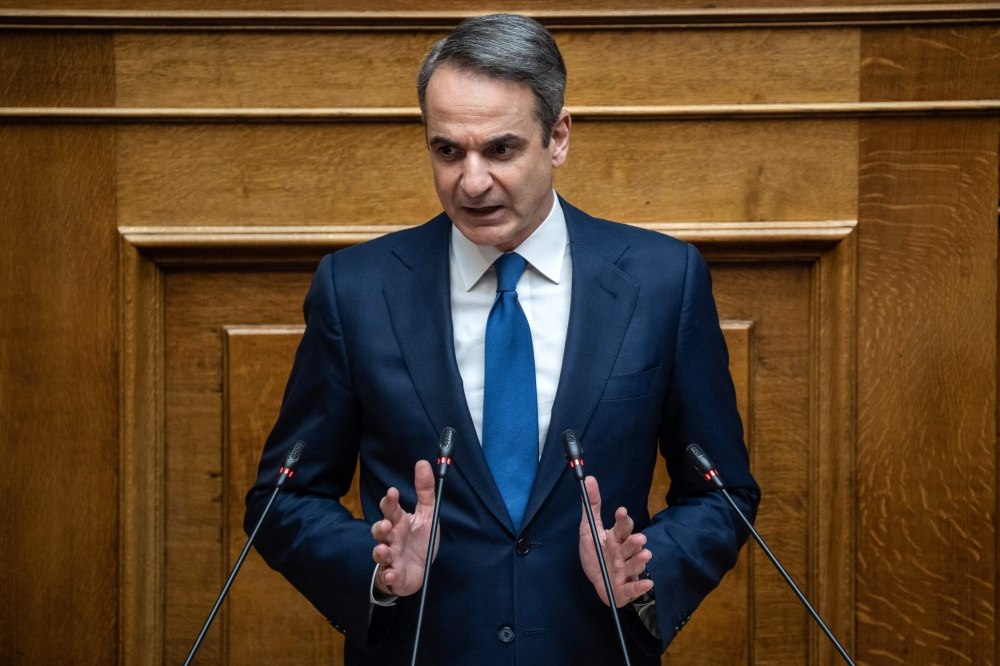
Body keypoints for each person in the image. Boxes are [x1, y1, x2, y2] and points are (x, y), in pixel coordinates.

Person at [245, 13, 759, 665]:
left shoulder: (663, 282)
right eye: (448, 150)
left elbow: (722, 493)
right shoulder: (357, 289)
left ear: (559, 137)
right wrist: (374, 568)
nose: (472, 180)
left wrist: (647, 568)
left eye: (501, 149)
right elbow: (282, 497)